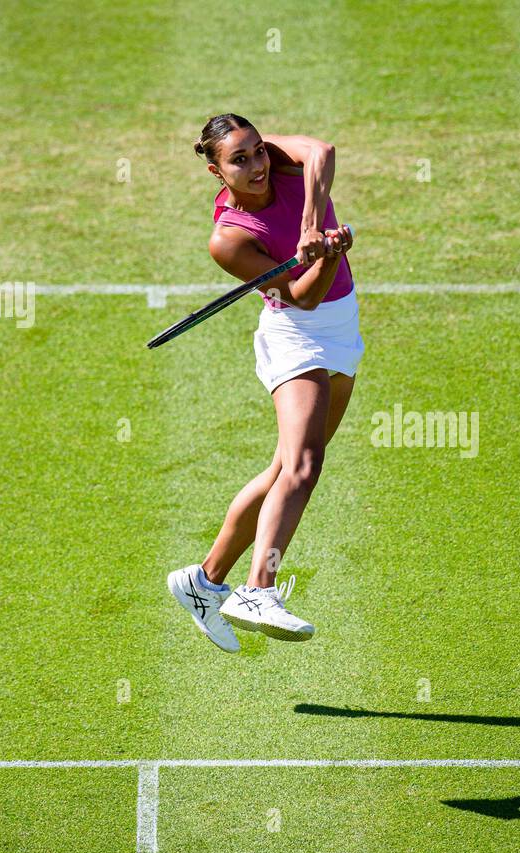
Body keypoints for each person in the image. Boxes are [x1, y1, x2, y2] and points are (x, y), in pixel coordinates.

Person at [166, 114, 359, 652]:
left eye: (256, 150)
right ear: (214, 171)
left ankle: (203, 581)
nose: (257, 166)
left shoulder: (280, 158)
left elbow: (323, 149)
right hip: (296, 336)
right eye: (239, 160)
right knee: (304, 466)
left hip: (343, 328)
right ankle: (257, 588)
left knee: (283, 468)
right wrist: (325, 259)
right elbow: (302, 297)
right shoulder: (229, 240)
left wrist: (313, 232)